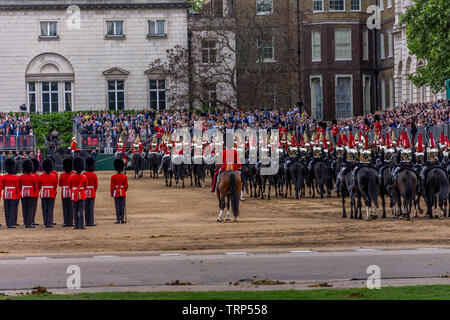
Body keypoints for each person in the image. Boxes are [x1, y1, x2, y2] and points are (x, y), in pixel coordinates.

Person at [38, 158, 57, 228]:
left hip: (43, 193)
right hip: (51, 193)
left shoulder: (41, 176)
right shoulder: (54, 176)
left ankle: (45, 222)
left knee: (44, 208)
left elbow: (39, 186)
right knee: (50, 208)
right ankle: (49, 222)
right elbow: (55, 186)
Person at [69, 157, 87, 230]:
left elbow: (70, 186)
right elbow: (85, 186)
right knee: (81, 210)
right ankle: (81, 225)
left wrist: (74, 191)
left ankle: (76, 225)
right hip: (82, 194)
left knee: (75, 210)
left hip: (74, 194)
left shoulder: (71, 177)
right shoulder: (84, 177)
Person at [2, 158, 19, 228]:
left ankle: (7, 223)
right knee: (12, 209)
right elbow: (17, 188)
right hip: (13, 194)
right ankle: (11, 223)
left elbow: (2, 186)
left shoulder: (4, 177)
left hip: (6, 194)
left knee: (6, 209)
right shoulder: (15, 178)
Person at [19, 159, 36, 228]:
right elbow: (35, 186)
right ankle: (29, 223)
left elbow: (19, 186)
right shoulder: (33, 177)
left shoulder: (21, 177)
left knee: (24, 208)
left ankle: (25, 222)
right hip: (31, 193)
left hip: (23, 193)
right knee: (30, 208)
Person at [111, 159, 128, 224]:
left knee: (117, 206)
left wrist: (112, 193)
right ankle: (122, 219)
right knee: (122, 206)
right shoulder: (124, 176)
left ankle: (118, 219)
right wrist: (124, 191)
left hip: (116, 192)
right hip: (122, 192)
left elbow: (112, 186)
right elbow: (126, 186)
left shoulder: (113, 177)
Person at [59, 158, 74, 227]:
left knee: (65, 208)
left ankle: (66, 222)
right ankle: (71, 222)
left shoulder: (62, 175)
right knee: (71, 208)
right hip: (71, 192)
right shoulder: (73, 174)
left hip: (64, 192)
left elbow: (60, 185)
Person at [84, 156, 98, 227]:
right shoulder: (94, 175)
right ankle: (91, 221)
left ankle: (86, 221)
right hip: (92, 191)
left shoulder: (84, 175)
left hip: (85, 192)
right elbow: (96, 186)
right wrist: (93, 190)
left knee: (86, 207)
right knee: (91, 207)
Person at [30, 158, 40, 226]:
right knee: (33, 208)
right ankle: (32, 220)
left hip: (28, 192)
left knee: (28, 208)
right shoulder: (37, 176)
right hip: (35, 193)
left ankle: (27, 220)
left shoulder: (29, 175)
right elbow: (38, 185)